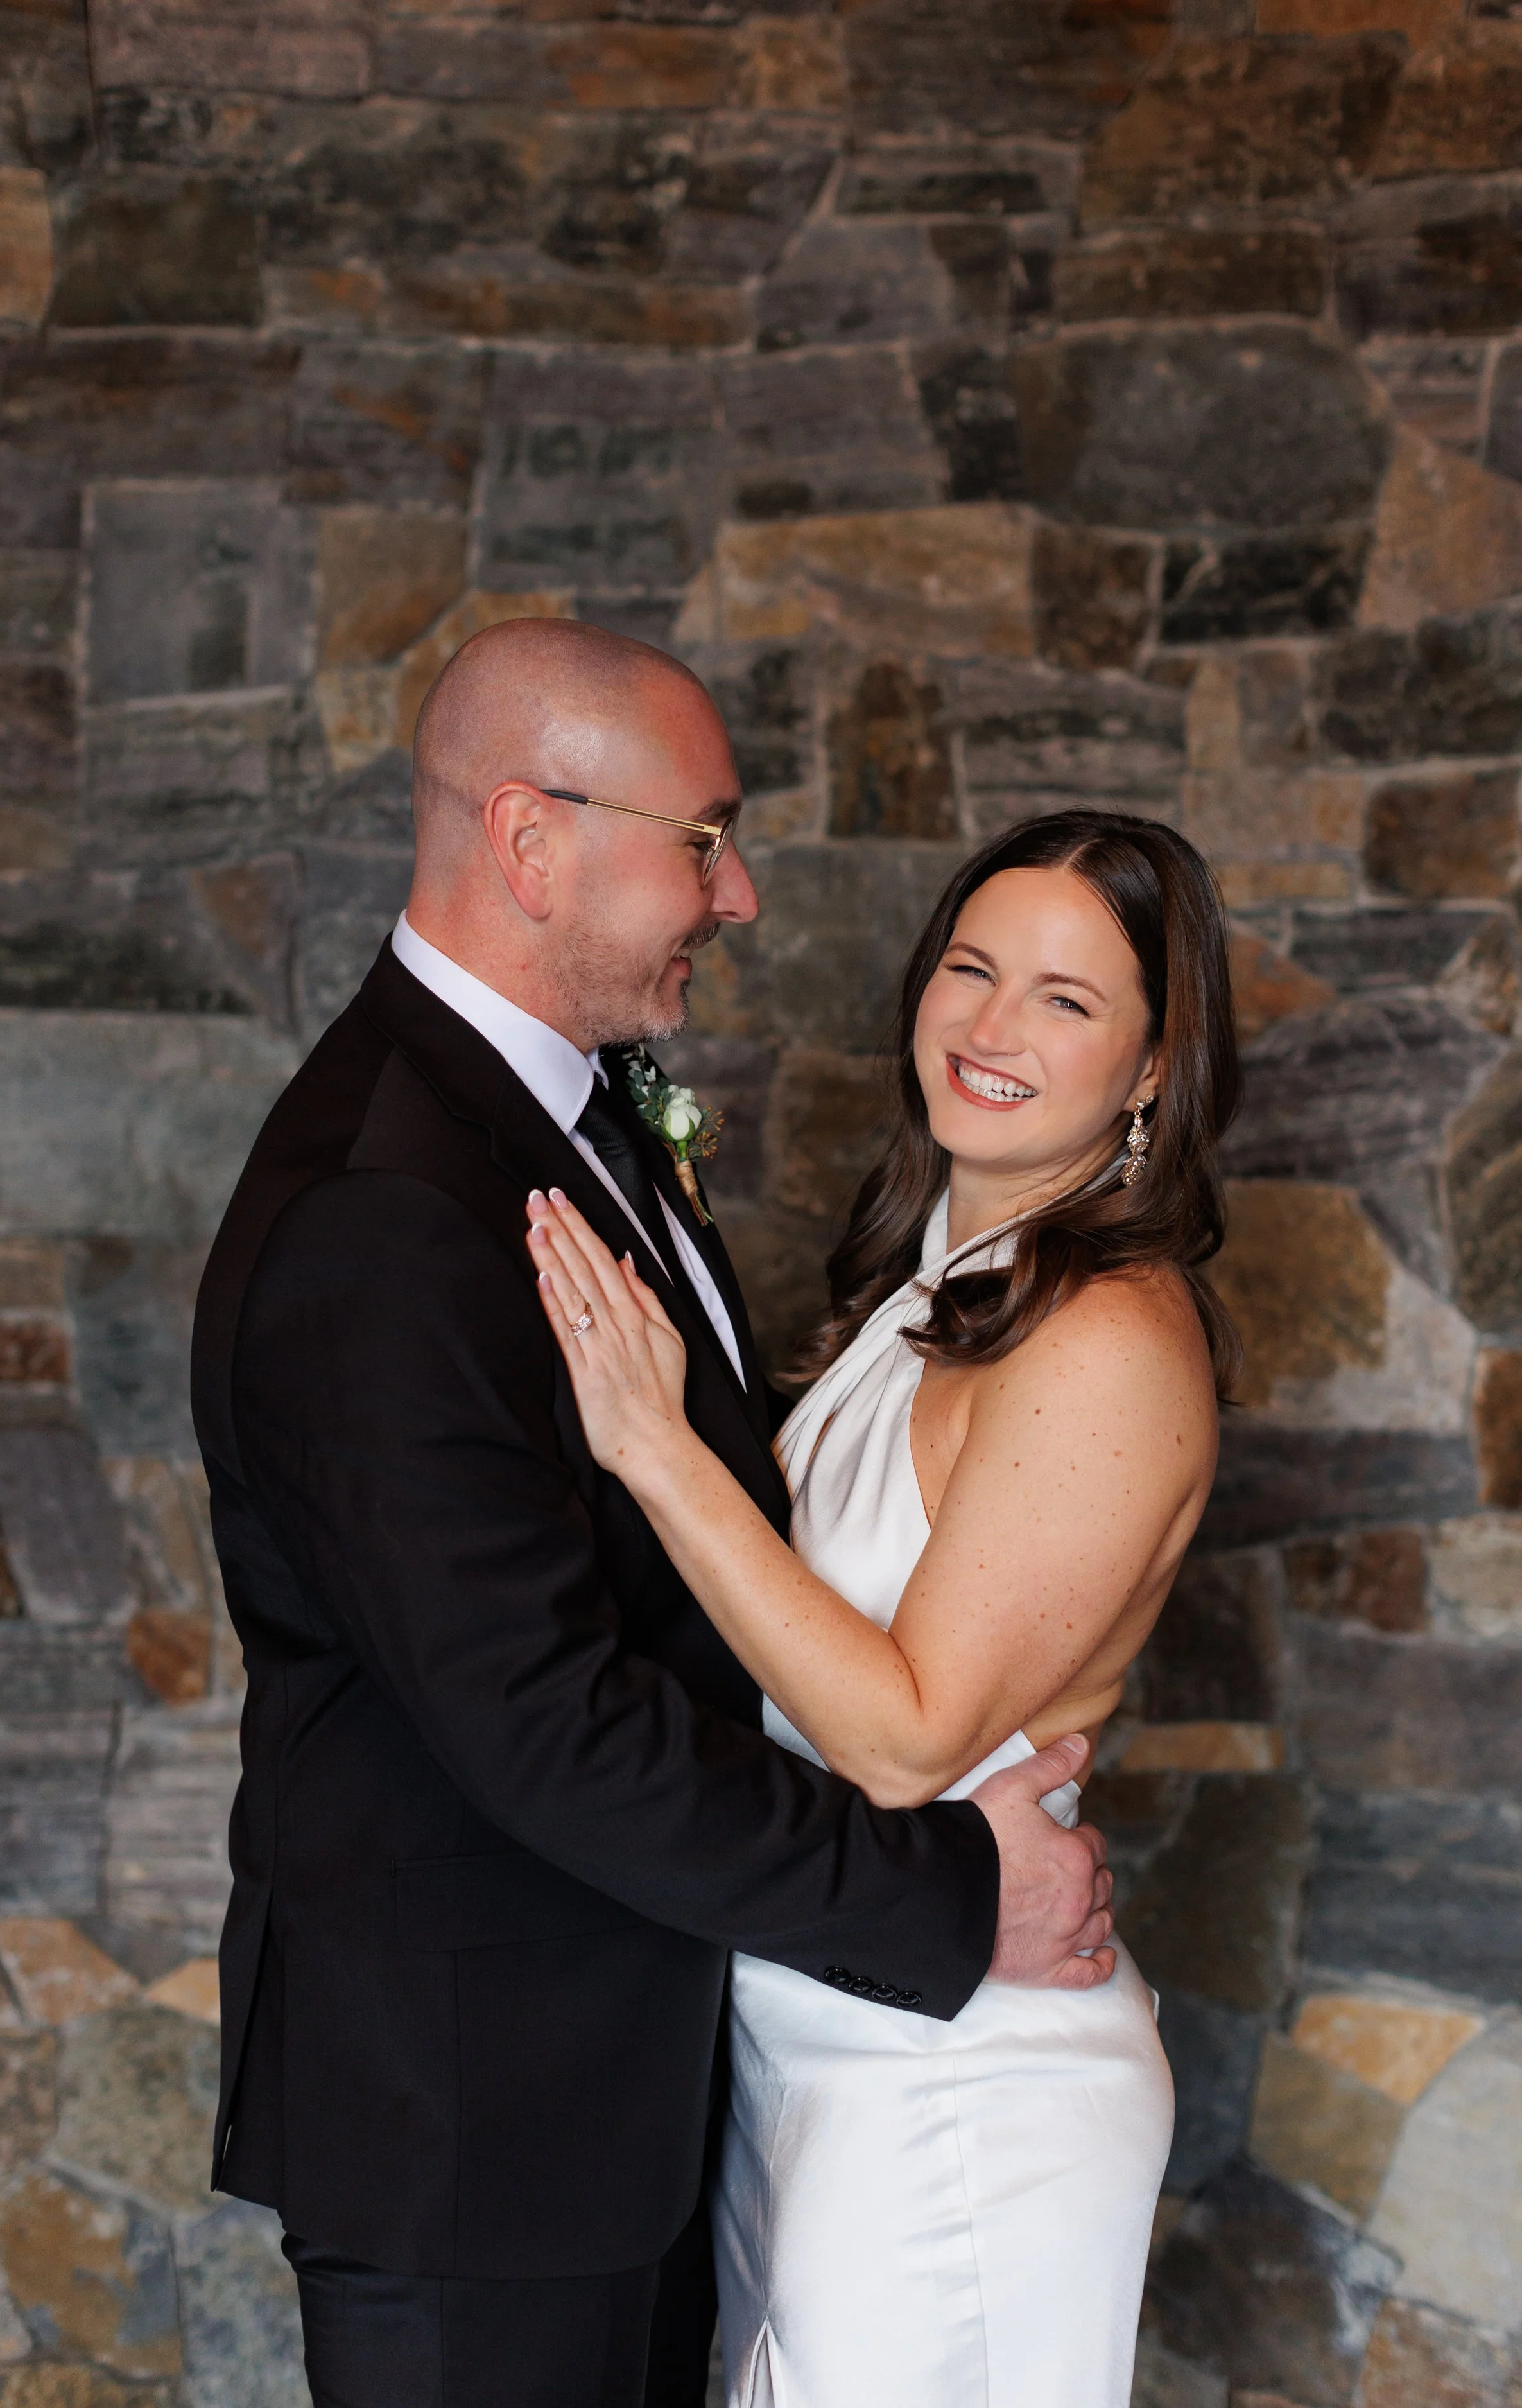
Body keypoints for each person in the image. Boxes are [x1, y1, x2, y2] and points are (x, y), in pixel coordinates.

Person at [189, 620, 1116, 2408]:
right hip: (483, 2132)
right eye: (704, 837)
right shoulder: (384, 1209)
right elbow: (541, 1723)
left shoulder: (555, 1113)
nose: (742, 890)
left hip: (609, 2091)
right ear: (533, 841)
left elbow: (673, 1590)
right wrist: (940, 1893)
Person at [526, 807, 1242, 2408]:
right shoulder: (938, 1291)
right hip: (823, 2037)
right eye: (970, 970)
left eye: (1064, 999)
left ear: (1148, 1068)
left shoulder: (1106, 1338)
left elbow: (910, 1740)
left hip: (962, 2085)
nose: (988, 1029)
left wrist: (651, 1448)